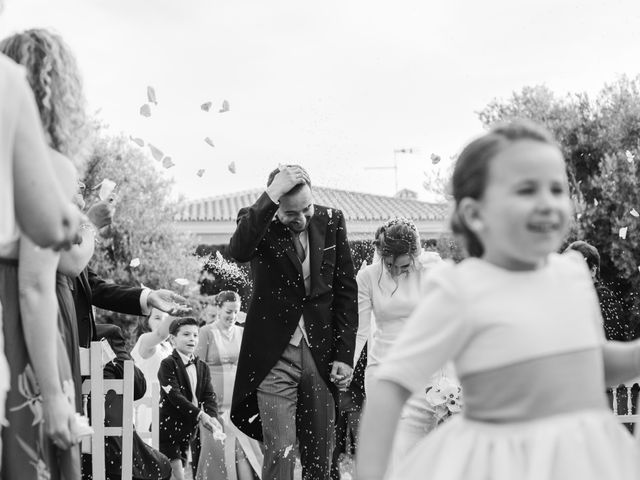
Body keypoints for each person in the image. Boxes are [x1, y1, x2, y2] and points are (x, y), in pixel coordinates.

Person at [357, 120, 640, 479]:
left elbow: (588, 360)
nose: (547, 203)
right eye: (526, 190)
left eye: (557, 188)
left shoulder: (573, 276)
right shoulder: (460, 290)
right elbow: (390, 389)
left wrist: (634, 355)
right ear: (476, 214)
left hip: (585, 459)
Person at [229, 165, 358, 480]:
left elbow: (345, 292)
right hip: (274, 358)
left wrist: (344, 355)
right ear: (275, 205)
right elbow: (238, 251)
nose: (302, 218)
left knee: (321, 453)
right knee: (281, 448)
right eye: (291, 213)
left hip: (320, 354)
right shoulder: (255, 220)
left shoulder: (331, 220)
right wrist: (271, 197)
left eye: (307, 208)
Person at [354, 218, 449, 468]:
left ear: (416, 255)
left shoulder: (432, 272)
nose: (395, 272)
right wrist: (345, 368)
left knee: (420, 450)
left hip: (424, 375)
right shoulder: (367, 277)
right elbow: (360, 332)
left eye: (404, 266)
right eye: (389, 265)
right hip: (381, 371)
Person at [81, 323, 171, 480]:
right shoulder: (107, 334)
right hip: (114, 451)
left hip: (67, 446)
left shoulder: (57, 333)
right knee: (163, 466)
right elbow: (138, 387)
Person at [195, 290, 263, 480]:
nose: (232, 316)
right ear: (218, 308)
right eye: (228, 312)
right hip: (213, 407)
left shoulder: (243, 332)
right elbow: (198, 369)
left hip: (240, 406)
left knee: (243, 452)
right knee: (216, 454)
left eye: (236, 312)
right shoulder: (206, 332)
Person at [158, 317, 222, 480]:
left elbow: (208, 395)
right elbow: (175, 396)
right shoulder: (167, 364)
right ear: (173, 339)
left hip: (188, 429)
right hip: (168, 429)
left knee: (181, 472)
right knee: (177, 475)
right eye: (186, 334)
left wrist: (212, 416)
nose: (192, 339)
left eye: (195, 335)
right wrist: (200, 415)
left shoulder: (203, 367)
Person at [564, 240, 628, 341]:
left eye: (575, 269)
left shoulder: (604, 298)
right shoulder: (571, 300)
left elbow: (612, 340)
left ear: (593, 270)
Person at [131, 308, 175, 434]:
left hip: (164, 403)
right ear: (146, 321)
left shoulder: (167, 345)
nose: (162, 322)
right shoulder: (145, 340)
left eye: (165, 319)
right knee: (148, 444)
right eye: (157, 318)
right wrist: (174, 314)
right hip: (146, 402)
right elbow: (160, 334)